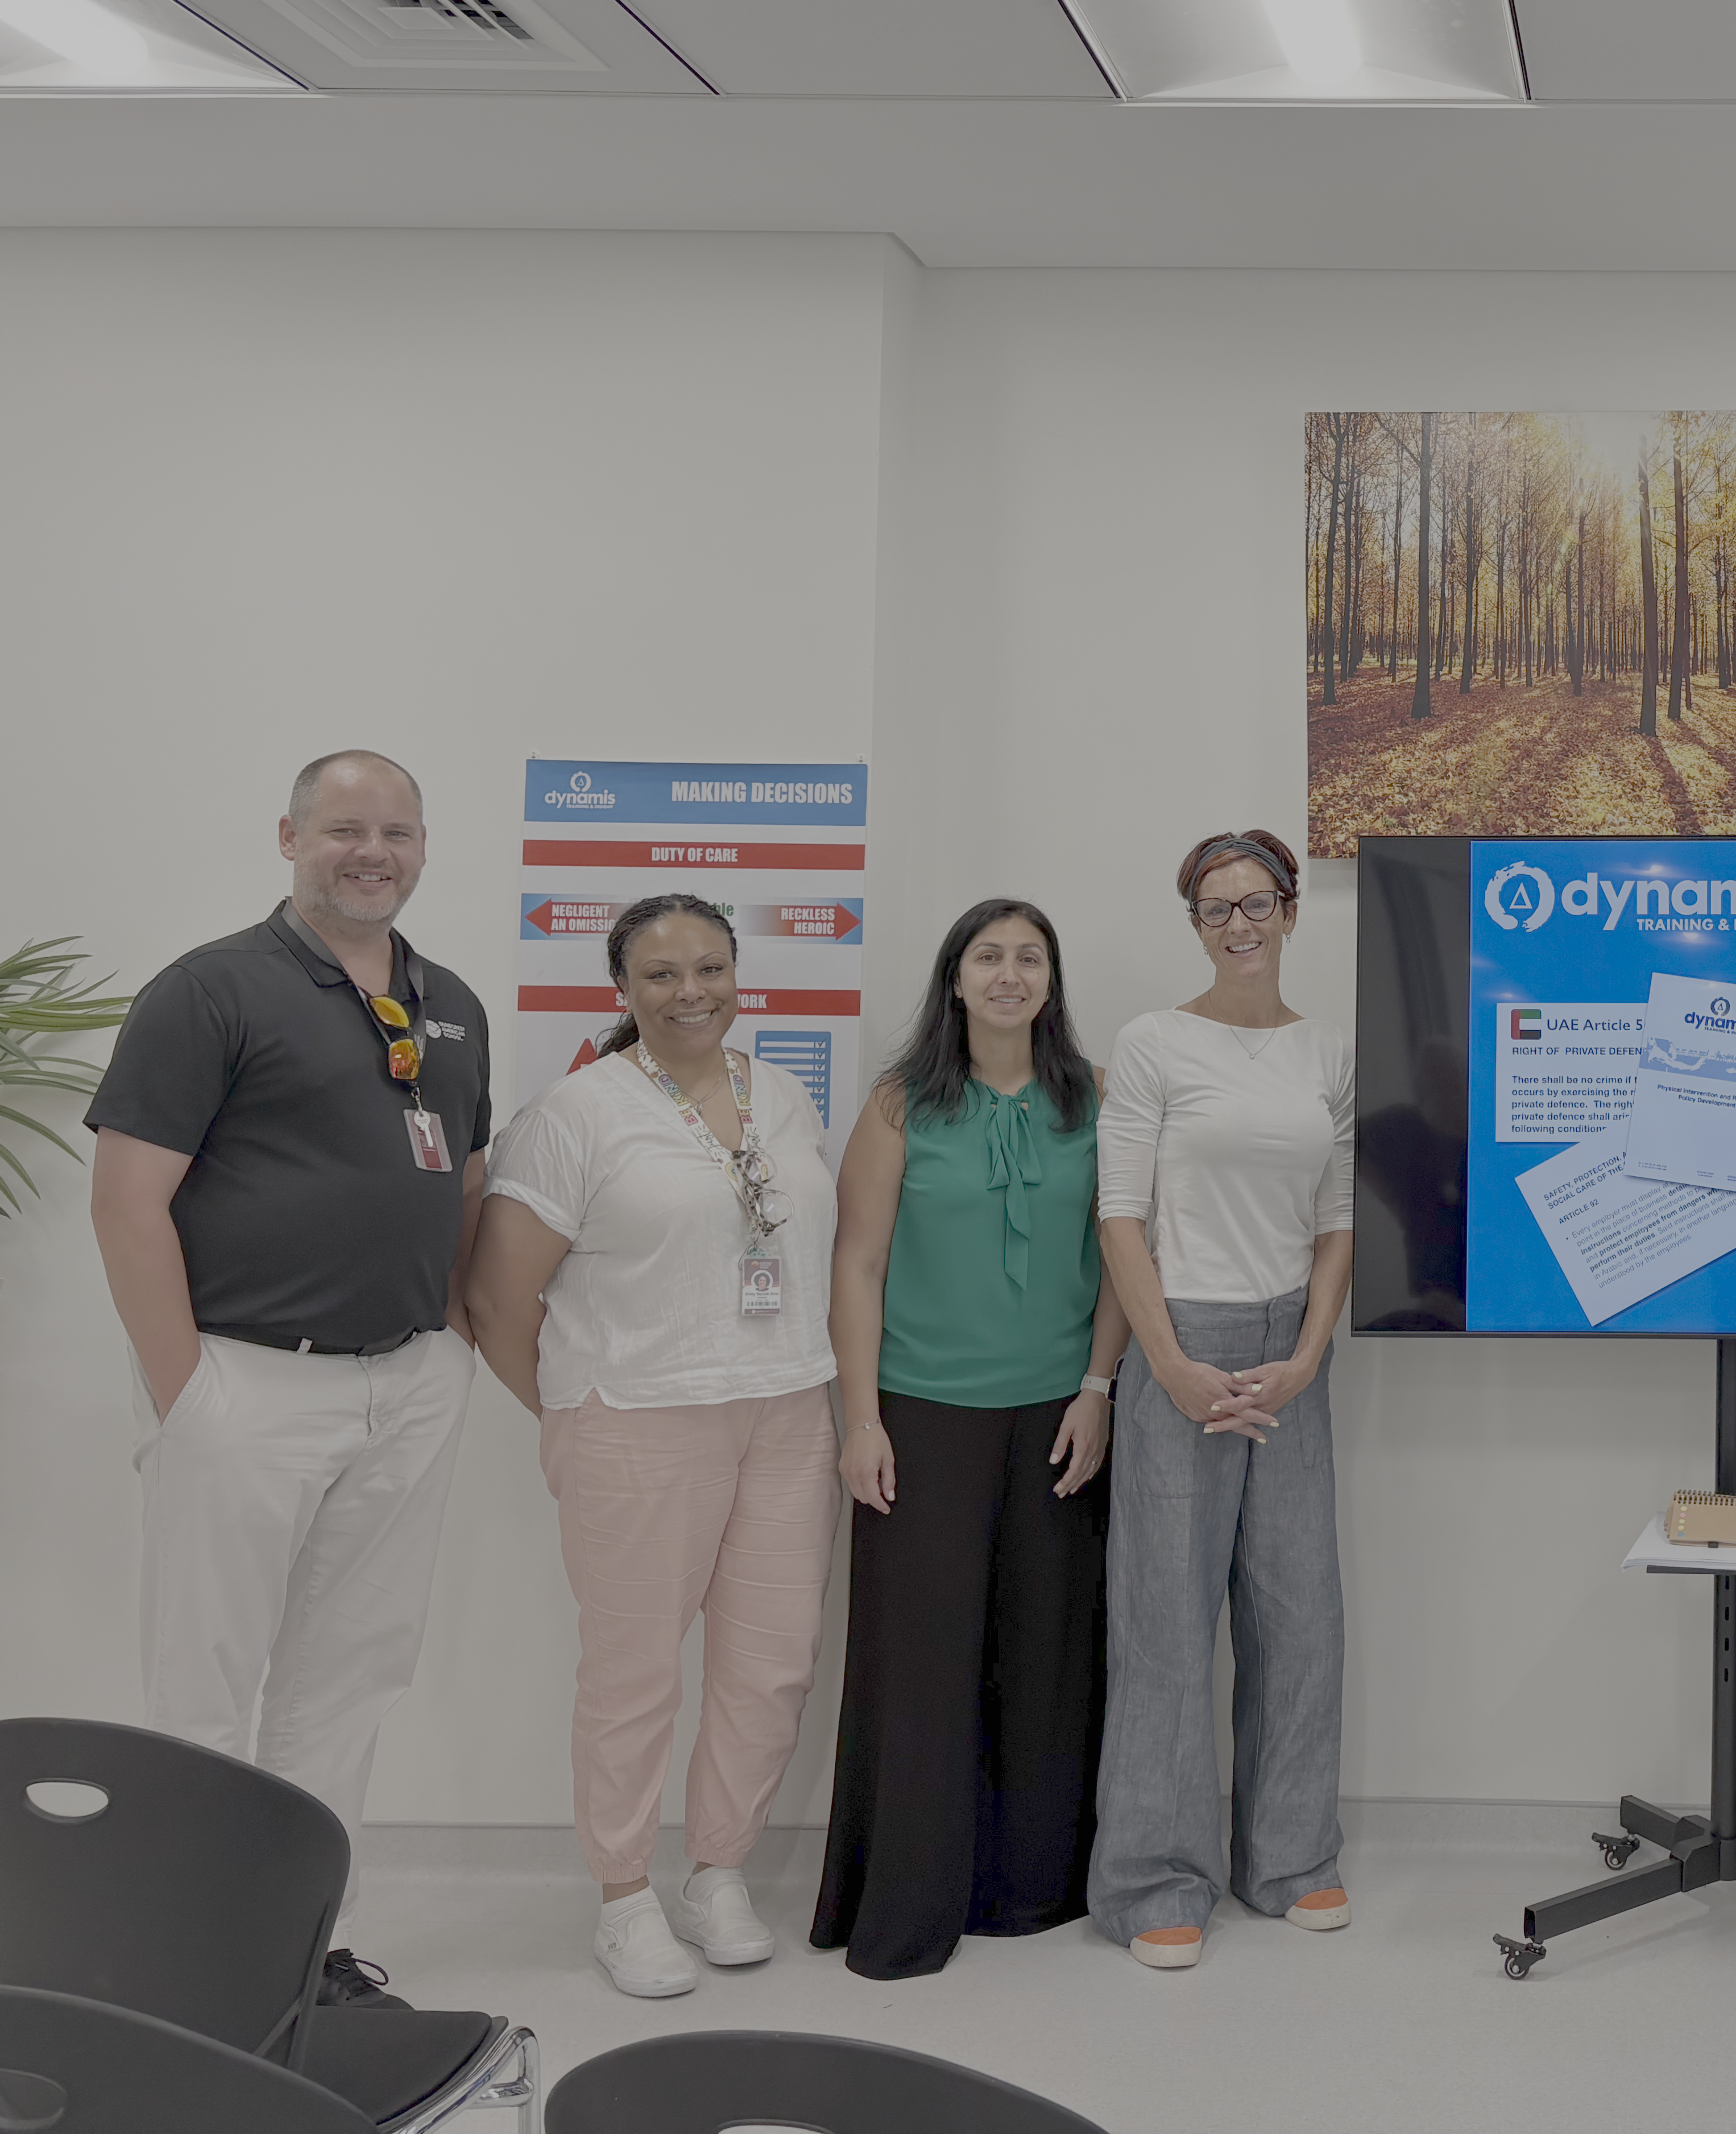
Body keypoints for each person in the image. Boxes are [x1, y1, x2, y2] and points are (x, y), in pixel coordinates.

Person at [83, 749, 491, 2009]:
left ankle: (300, 1948)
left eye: (398, 832)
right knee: (206, 1688)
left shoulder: (453, 1002)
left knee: (348, 1681)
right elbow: (126, 1202)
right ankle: (188, 1959)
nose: (372, 852)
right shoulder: (212, 989)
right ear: (289, 837)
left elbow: (464, 1185)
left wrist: (455, 1347)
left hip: (410, 1383)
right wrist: (188, 1392)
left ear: (425, 847)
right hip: (249, 1386)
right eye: (344, 829)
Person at [467, 895, 841, 2000]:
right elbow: (496, 1301)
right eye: (664, 975)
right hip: (635, 1420)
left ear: (738, 976)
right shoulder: (577, 1113)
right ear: (621, 991)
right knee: (634, 1680)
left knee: (768, 1668)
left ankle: (716, 1872)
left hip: (785, 1411)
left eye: (711, 969)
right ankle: (624, 1894)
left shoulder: (779, 1094)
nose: (693, 993)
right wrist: (579, 1414)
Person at [810, 899, 1129, 1980]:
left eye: (1029, 956)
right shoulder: (901, 1103)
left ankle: (1031, 1890)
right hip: (921, 1410)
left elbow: (1125, 1258)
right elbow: (855, 1263)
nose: (1008, 973)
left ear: (1051, 979)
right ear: (954, 977)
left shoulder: (1095, 1100)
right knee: (922, 1659)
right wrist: (860, 1418)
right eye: (987, 956)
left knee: (1047, 1652)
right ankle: (907, 1899)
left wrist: (1098, 1388)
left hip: (1059, 1413)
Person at [1088, 829, 1356, 1969]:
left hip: (1290, 1348)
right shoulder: (1154, 1044)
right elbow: (1120, 1217)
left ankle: (1289, 1860)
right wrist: (1172, 1363)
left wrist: (1303, 1356)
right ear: (1194, 926)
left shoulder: (1329, 1054)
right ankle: (1157, 1877)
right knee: (1165, 1625)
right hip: (1180, 1341)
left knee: (1301, 1620)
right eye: (1214, 910)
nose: (1237, 924)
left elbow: (1337, 1220)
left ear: (1292, 911)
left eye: (1256, 903)